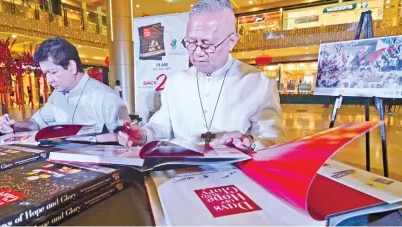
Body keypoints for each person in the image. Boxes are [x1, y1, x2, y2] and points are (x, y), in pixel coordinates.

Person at [117, 0, 284, 151]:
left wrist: (250, 142)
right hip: (180, 174)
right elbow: (162, 123)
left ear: (231, 42)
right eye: (190, 43)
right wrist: (143, 135)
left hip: (236, 176)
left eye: (207, 44)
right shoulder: (176, 82)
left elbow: (275, 139)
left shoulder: (259, 83)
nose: (197, 53)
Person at [0, 37, 130, 138]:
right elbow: (36, 123)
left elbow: (126, 142)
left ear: (71, 66)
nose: (49, 80)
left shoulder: (105, 98)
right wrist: (16, 125)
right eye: (46, 73)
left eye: (53, 72)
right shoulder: (57, 95)